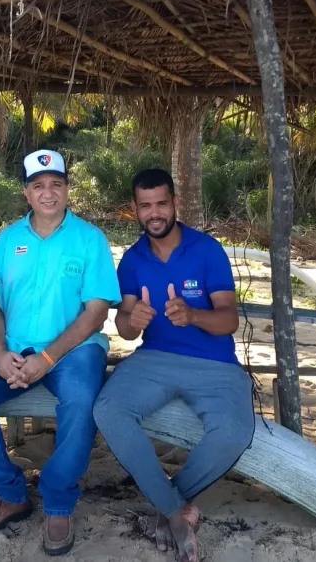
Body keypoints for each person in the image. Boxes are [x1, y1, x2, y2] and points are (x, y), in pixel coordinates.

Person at [0, 149, 121, 556]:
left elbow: (95, 313)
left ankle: (58, 501)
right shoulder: (7, 240)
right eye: (38, 186)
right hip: (11, 347)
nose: (48, 193)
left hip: (74, 349)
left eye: (56, 184)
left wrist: (46, 360)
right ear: (26, 193)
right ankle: (9, 492)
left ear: (67, 189)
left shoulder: (90, 239)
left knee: (81, 399)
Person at [93, 168, 254, 562]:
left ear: (175, 203)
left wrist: (194, 316)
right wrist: (135, 320)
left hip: (214, 364)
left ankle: (169, 504)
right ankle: (176, 513)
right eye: (145, 205)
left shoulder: (206, 250)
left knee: (234, 431)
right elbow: (126, 329)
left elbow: (229, 319)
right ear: (134, 209)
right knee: (108, 410)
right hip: (153, 360)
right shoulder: (131, 260)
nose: (155, 213)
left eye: (162, 203)